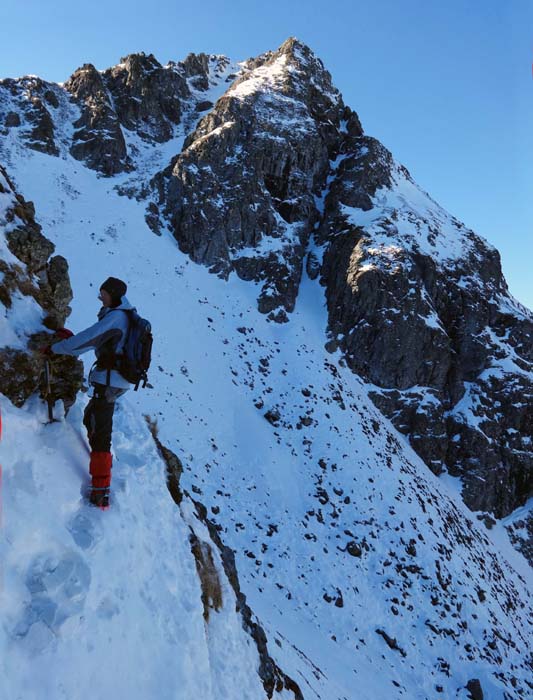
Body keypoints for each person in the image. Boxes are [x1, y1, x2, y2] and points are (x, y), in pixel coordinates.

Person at [50, 277, 133, 508]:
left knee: (100, 429)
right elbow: (97, 341)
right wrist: (72, 339)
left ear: (114, 295)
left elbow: (87, 340)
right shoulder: (121, 313)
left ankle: (100, 490)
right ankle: (102, 468)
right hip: (115, 379)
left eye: (103, 293)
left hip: (110, 380)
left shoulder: (116, 317)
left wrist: (54, 348)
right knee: (92, 419)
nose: (100, 297)